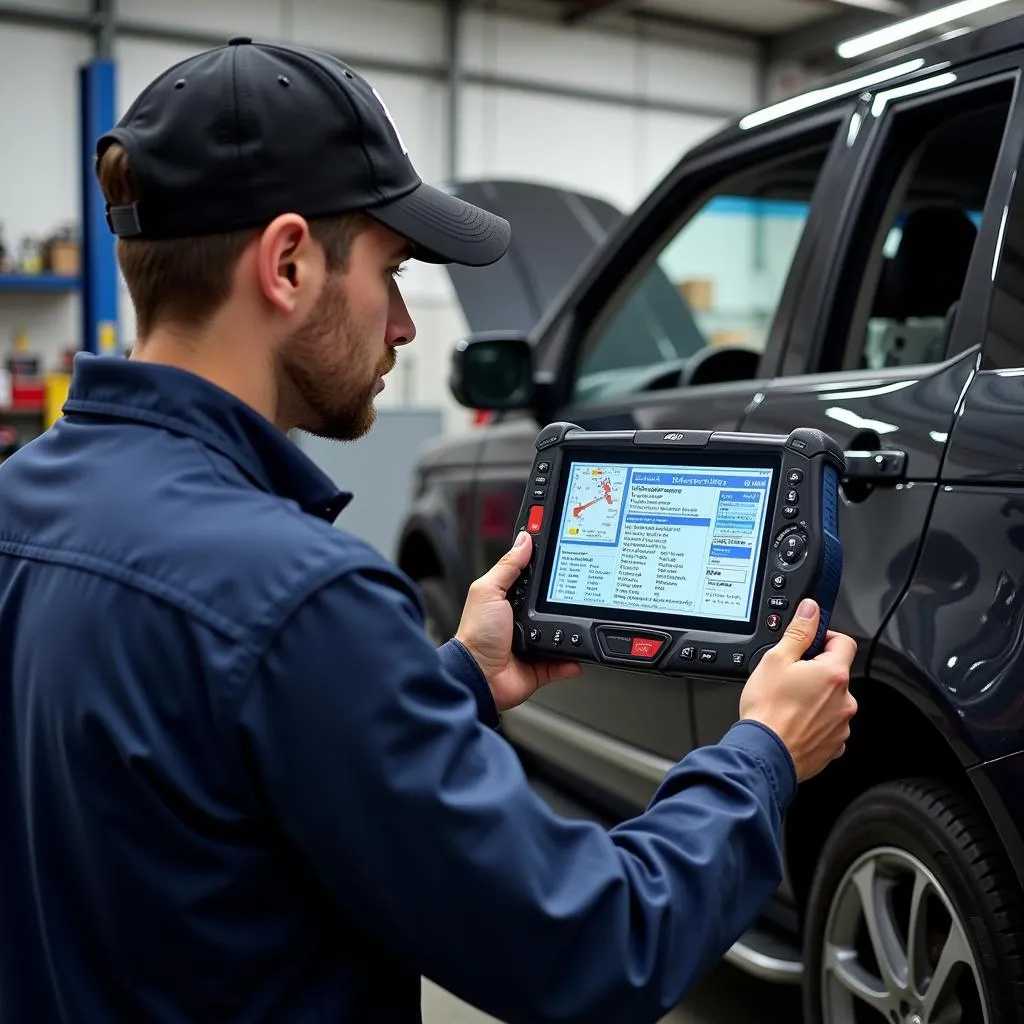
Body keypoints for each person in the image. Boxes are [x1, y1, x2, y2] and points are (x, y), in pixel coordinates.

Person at [0, 37, 857, 1024]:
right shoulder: (298, 596)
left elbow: (197, 783)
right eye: (393, 270)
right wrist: (763, 753)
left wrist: (450, 681)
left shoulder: (22, 500)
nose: (404, 325)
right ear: (285, 263)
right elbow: (593, 943)